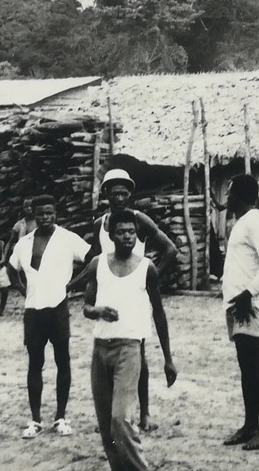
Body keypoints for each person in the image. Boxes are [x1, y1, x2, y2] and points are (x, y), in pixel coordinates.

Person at [83, 208, 178, 471]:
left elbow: (159, 313)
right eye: (121, 232)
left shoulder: (146, 268)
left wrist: (168, 358)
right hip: (100, 349)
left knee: (121, 418)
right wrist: (98, 311)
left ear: (137, 237)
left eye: (131, 232)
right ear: (110, 236)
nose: (126, 236)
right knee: (106, 427)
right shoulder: (99, 264)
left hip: (129, 348)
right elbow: (86, 305)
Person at [74, 167, 181, 432]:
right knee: (106, 353)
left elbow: (170, 249)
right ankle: (111, 413)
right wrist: (79, 288)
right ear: (106, 194)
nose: (120, 198)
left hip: (134, 293)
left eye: (124, 193)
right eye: (114, 193)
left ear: (130, 194)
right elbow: (95, 263)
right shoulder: (101, 224)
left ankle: (143, 413)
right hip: (109, 294)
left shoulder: (138, 220)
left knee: (138, 354)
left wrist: (146, 280)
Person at [7, 194, 90, 438]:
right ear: (33, 213)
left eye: (50, 213)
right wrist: (21, 288)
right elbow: (11, 267)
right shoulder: (25, 242)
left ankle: (61, 417)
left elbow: (91, 260)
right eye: (41, 213)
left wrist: (72, 285)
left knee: (62, 361)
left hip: (58, 308)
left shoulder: (67, 238)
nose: (45, 218)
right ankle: (35, 420)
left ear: (56, 213)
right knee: (35, 363)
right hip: (33, 309)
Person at [219, 174, 259, 451]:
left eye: (231, 193)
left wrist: (248, 293)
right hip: (238, 304)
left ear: (242, 197)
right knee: (246, 365)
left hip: (251, 305)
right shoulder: (242, 223)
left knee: (253, 364)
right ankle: (250, 425)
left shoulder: (254, 222)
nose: (227, 198)